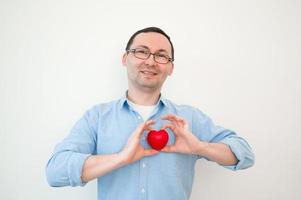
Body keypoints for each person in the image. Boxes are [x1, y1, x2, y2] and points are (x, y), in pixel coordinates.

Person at [46, 27, 255, 200]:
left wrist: (200, 147)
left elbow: (244, 154)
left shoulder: (189, 119)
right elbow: (55, 172)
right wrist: (120, 158)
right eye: (141, 51)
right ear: (125, 58)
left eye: (161, 55)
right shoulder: (97, 117)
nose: (151, 61)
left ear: (171, 68)